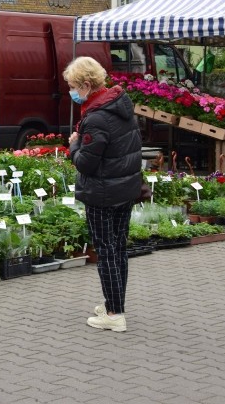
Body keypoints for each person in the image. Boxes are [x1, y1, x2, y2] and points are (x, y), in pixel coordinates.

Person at [65, 56, 142, 333]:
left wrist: (74, 146)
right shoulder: (121, 107)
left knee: (107, 250)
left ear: (87, 85)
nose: (71, 92)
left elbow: (86, 162)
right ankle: (115, 302)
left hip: (102, 191)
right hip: (125, 188)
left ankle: (114, 314)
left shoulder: (96, 118)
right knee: (118, 248)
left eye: (74, 86)